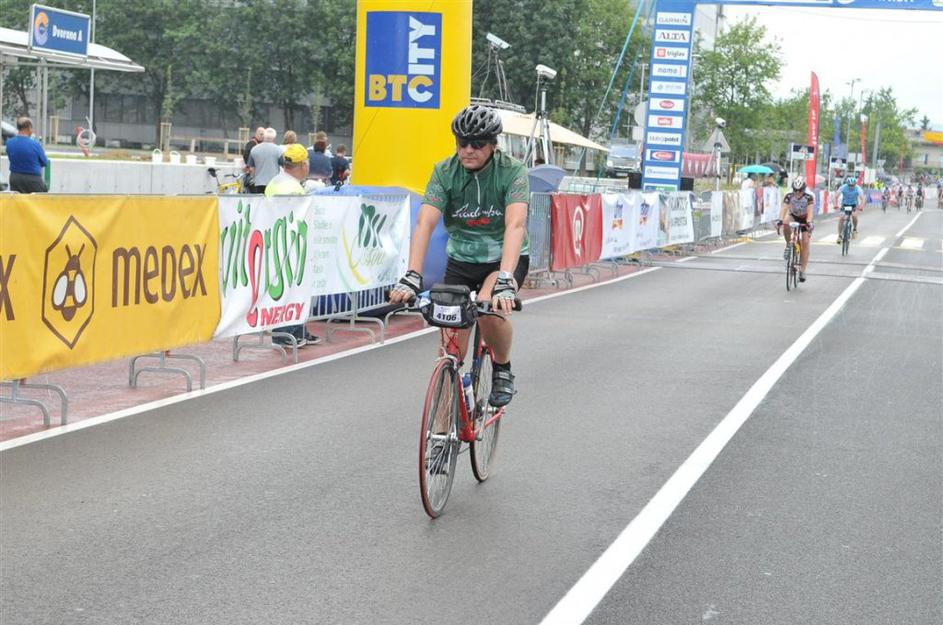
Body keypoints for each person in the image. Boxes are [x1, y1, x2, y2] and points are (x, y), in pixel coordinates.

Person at [389, 104, 529, 408]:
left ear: (493, 145)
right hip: (462, 259)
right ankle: (442, 426)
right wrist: (413, 274)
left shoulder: (512, 171)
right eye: (462, 142)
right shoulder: (444, 171)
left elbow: (515, 224)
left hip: (501, 258)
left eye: (477, 144)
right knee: (450, 348)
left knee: (489, 309)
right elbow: (424, 223)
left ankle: (502, 368)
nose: (468, 150)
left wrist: (506, 278)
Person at [265, 143, 320, 347]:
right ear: (303, 165)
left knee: (295, 287)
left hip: (282, 241)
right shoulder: (292, 188)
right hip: (288, 243)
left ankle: (297, 329)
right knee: (290, 288)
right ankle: (285, 333)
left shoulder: (277, 181)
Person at [778, 176, 814, 282]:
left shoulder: (808, 197)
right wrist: (780, 220)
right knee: (785, 222)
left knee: (805, 242)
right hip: (793, 216)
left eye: (800, 190)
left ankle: (802, 271)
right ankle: (789, 244)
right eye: (795, 190)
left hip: (805, 218)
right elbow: (784, 208)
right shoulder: (789, 196)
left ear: (804, 189)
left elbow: (810, 212)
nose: (797, 192)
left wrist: (809, 222)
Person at [6, 117, 49, 193]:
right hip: (33, 179)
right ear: (29, 128)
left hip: (15, 178)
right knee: (40, 198)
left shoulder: (9, 143)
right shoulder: (35, 144)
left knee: (17, 199)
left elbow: (10, 157)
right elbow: (44, 162)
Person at [246, 127, 281, 194]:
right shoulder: (278, 150)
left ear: (264, 136)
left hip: (259, 182)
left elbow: (251, 168)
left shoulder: (254, 149)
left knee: (260, 200)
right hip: (273, 183)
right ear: (274, 138)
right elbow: (284, 165)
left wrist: (253, 177)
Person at [836, 176, 864, 244]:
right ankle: (839, 236)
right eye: (849, 185)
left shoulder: (858, 188)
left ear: (855, 184)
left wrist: (861, 206)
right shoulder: (843, 187)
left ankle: (854, 229)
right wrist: (835, 204)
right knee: (841, 218)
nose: (851, 187)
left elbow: (862, 199)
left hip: (854, 205)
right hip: (845, 204)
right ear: (847, 184)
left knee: (854, 216)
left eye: (852, 185)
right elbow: (835, 196)